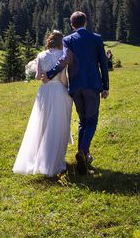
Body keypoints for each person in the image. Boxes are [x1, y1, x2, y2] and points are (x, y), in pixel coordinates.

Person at [41, 11, 109, 175]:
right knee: (92, 120)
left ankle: (83, 156)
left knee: (82, 121)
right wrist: (105, 86)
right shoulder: (96, 38)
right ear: (85, 22)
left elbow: (64, 60)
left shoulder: (68, 40)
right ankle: (83, 151)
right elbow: (103, 63)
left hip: (76, 87)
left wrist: (49, 74)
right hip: (92, 85)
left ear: (72, 25)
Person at [12, 31, 73, 176]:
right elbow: (63, 77)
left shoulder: (41, 55)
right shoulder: (62, 56)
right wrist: (66, 89)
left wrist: (44, 77)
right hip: (59, 91)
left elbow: (39, 76)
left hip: (44, 92)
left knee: (41, 123)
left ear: (49, 41)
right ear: (61, 43)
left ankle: (38, 158)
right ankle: (55, 160)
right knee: (57, 124)